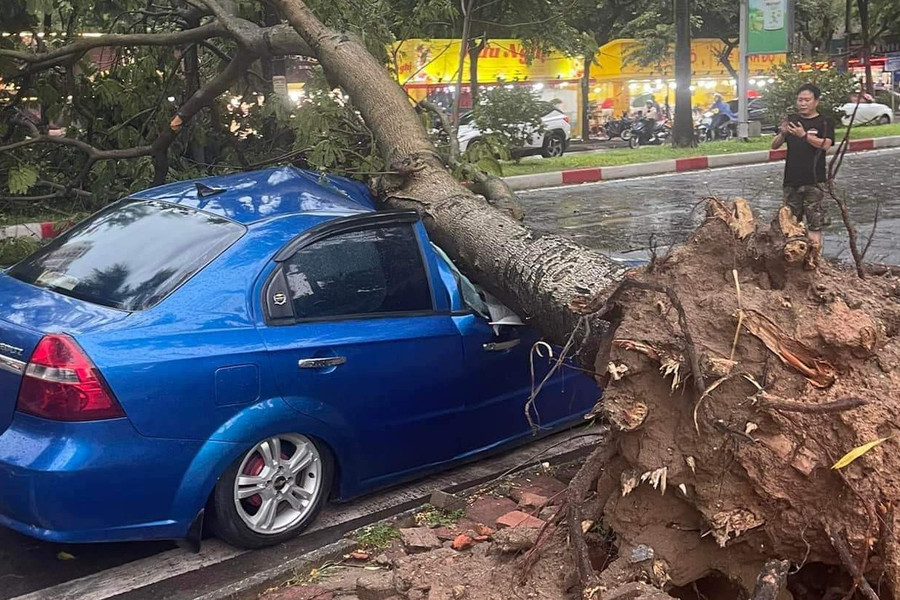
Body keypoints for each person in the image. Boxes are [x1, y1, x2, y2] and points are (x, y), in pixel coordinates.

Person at [771, 83, 835, 269]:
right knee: (790, 224)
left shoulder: (824, 122)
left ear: (816, 101)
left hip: (815, 181)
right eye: (800, 100)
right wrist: (782, 133)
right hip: (791, 181)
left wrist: (804, 135)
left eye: (807, 100)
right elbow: (774, 145)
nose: (803, 103)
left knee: (815, 225)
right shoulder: (791, 120)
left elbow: (825, 145)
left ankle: (814, 262)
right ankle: (792, 262)